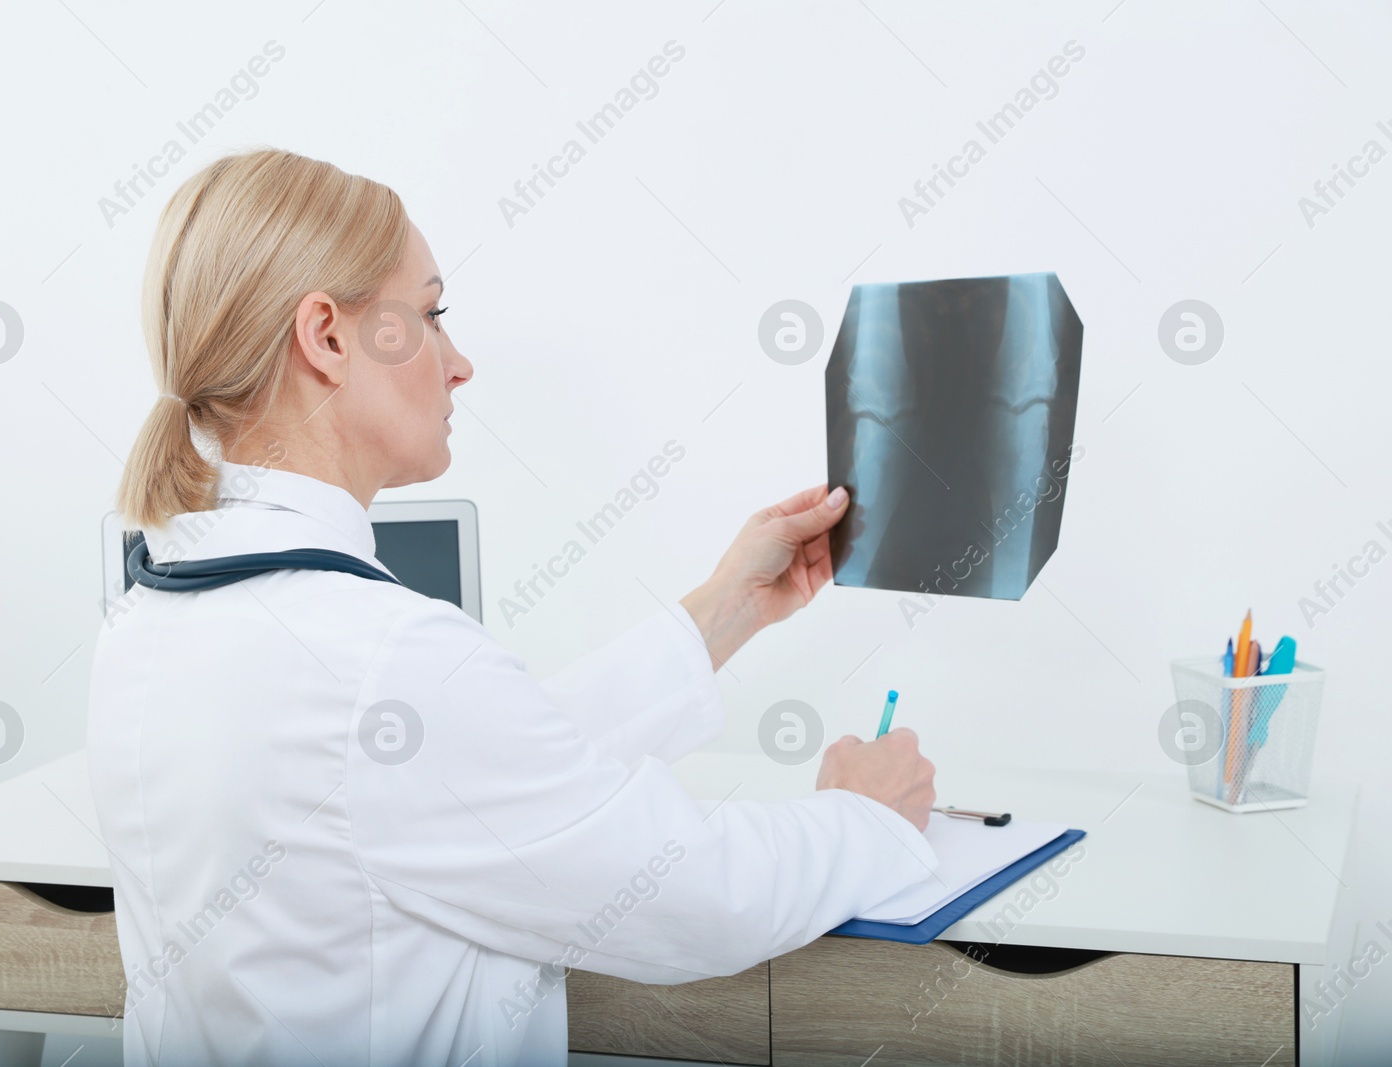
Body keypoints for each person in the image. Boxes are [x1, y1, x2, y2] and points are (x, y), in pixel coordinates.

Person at [87, 147, 937, 1067]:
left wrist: (724, 610)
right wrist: (865, 818)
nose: (460, 364)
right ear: (327, 337)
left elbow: (468, 776)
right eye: (430, 314)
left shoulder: (150, 618)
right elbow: (695, 894)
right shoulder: (380, 658)